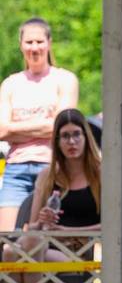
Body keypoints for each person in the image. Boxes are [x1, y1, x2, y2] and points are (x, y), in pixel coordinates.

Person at [1, 109, 100, 283]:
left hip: (79, 251)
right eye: (64, 136)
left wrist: (65, 229)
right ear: (56, 141)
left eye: (77, 134)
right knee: (11, 251)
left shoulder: (101, 174)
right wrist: (43, 221)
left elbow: (111, 226)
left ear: (87, 137)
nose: (72, 142)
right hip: (45, 246)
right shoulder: (47, 176)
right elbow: (32, 226)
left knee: (22, 248)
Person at [0, 18, 79, 231]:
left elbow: (62, 126)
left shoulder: (65, 79)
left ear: (49, 43)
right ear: (21, 45)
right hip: (16, 168)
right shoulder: (10, 84)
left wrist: (17, 128)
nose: (34, 47)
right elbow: (2, 130)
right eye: (29, 42)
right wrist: (46, 125)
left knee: (48, 236)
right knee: (8, 238)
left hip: (53, 165)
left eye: (39, 41)